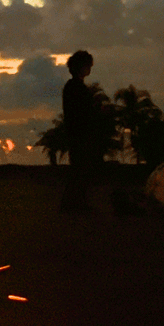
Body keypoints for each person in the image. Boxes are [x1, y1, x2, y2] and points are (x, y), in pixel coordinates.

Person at [59, 52, 100, 212]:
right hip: (79, 134)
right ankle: (74, 204)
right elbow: (81, 113)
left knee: (79, 170)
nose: (89, 69)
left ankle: (74, 203)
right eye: (87, 66)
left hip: (78, 133)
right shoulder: (75, 88)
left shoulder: (74, 87)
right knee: (79, 170)